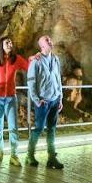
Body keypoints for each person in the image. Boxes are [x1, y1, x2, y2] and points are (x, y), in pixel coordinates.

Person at [0, 36, 30, 165]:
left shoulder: (17, 59)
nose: (10, 44)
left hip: (10, 98)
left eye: (11, 42)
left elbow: (28, 66)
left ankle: (14, 155)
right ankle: (0, 151)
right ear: (1, 46)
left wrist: (34, 59)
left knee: (13, 127)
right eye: (7, 42)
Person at [26, 35, 64, 169]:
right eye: (47, 40)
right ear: (42, 46)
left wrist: (60, 98)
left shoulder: (55, 59)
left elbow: (58, 79)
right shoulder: (36, 61)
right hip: (43, 102)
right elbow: (31, 82)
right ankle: (29, 155)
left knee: (52, 129)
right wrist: (36, 100)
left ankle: (52, 157)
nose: (50, 41)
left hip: (54, 100)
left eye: (50, 39)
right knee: (39, 128)